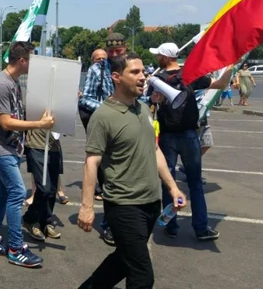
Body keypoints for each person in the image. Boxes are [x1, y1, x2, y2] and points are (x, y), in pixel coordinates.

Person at [78, 53, 188, 288]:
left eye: (143, 72)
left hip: (151, 203)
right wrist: (87, 207)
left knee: (122, 260)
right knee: (142, 276)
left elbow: (155, 150)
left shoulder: (143, 110)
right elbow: (91, 163)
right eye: (135, 72)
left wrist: (172, 186)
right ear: (116, 77)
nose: (143, 77)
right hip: (124, 206)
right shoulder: (103, 116)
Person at [0, 41, 54, 268]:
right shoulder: (1, 85)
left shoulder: (14, 82)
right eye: (31, 59)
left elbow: (18, 112)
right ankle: (15, 248)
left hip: (11, 148)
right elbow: (5, 122)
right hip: (1, 148)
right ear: (22, 61)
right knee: (16, 193)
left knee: (3, 194)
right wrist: (39, 124)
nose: (33, 64)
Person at [149, 42, 230, 241]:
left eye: (159, 55)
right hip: (189, 135)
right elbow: (220, 85)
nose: (156, 57)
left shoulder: (158, 78)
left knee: (168, 182)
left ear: (166, 57)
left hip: (168, 136)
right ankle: (201, 228)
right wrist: (230, 68)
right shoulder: (190, 75)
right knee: (195, 183)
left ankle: (170, 224)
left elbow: (150, 105)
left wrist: (153, 100)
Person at [77, 34, 132, 246]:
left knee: (126, 177)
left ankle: (125, 220)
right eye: (111, 52)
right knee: (109, 178)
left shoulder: (132, 66)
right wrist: (109, 110)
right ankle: (109, 225)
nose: (115, 55)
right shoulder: (96, 70)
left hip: (128, 127)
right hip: (106, 127)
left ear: (125, 49)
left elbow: (140, 94)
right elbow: (86, 98)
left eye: (119, 51)